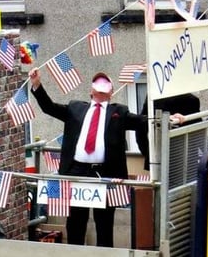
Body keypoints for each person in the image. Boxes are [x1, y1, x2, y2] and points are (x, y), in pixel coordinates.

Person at [28, 68, 147, 247]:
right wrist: (37, 84)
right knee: (76, 220)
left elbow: (142, 121)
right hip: (77, 171)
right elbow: (49, 108)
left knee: (104, 222)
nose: (100, 88)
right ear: (90, 91)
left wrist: (170, 118)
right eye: (97, 84)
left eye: (105, 84)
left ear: (111, 92)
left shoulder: (119, 112)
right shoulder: (76, 107)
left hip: (105, 172)